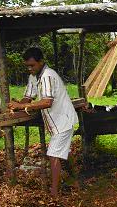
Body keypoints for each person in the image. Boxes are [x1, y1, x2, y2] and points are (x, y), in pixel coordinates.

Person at [8, 47, 78, 197]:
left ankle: (54, 191)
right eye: (27, 66)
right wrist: (17, 105)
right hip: (56, 121)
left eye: (32, 65)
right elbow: (28, 98)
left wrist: (22, 106)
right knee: (64, 151)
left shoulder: (48, 75)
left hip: (63, 119)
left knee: (53, 154)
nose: (29, 69)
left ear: (41, 62)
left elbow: (47, 102)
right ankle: (75, 179)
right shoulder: (34, 76)